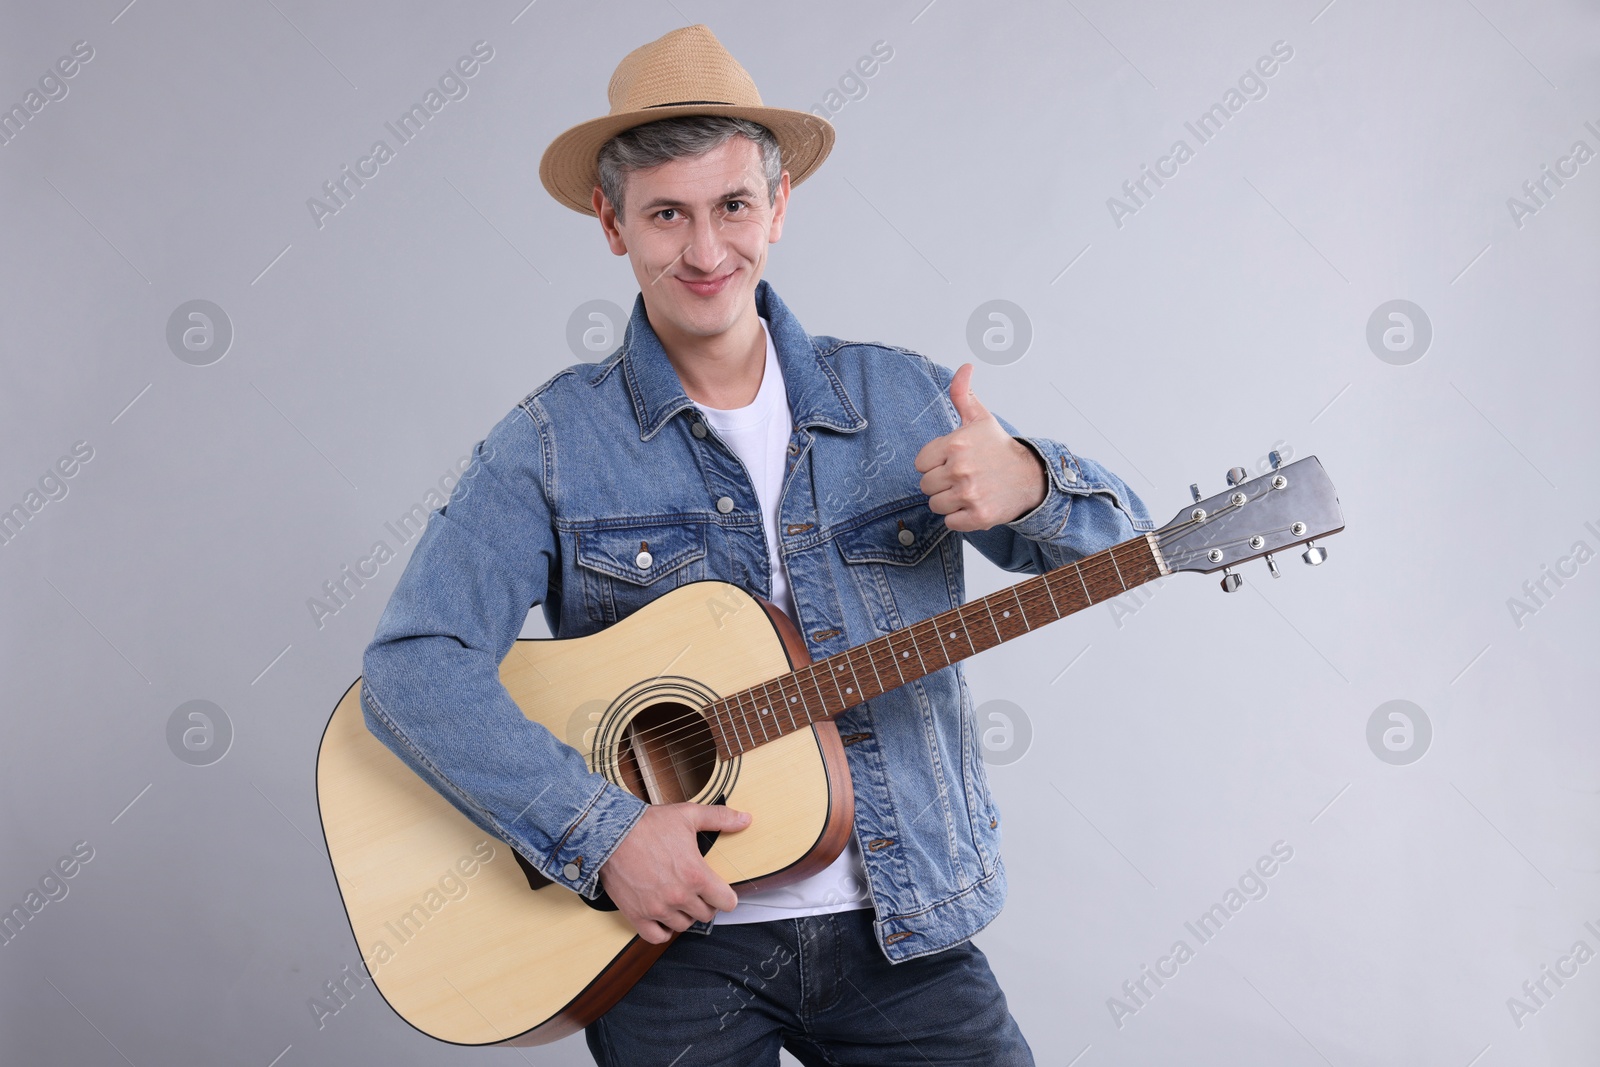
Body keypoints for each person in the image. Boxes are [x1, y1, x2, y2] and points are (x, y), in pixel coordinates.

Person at [361, 23, 1152, 1066]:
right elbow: (412, 665)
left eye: (732, 205)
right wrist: (600, 835)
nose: (703, 251)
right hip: (667, 952)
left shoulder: (901, 397)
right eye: (666, 214)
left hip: (902, 924)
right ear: (612, 223)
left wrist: (1033, 484)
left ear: (779, 206)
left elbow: (1131, 545)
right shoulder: (548, 445)